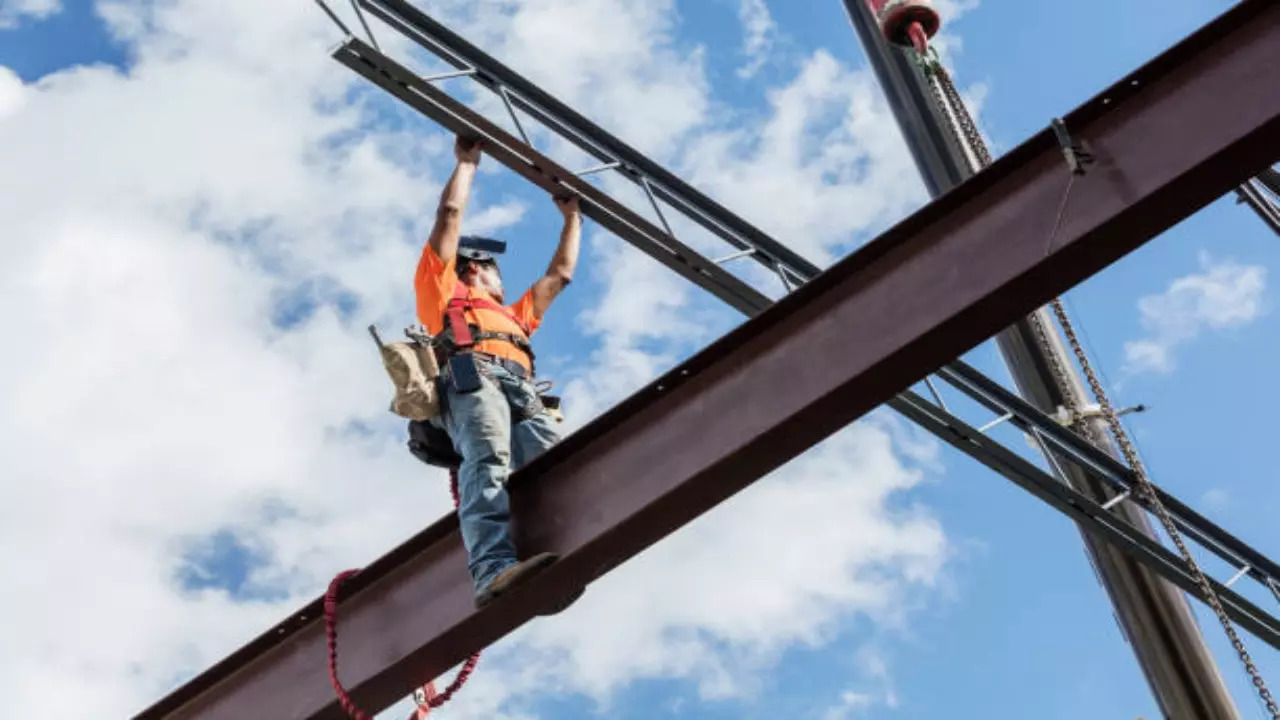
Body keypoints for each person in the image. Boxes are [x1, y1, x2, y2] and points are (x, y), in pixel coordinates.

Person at [414, 135, 582, 611]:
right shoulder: (442, 292)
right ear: (477, 268)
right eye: (494, 269)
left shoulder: (514, 316)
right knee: (487, 458)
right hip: (474, 377)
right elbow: (449, 218)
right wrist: (466, 165)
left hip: (520, 388)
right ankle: (492, 569)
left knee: (558, 465)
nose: (501, 278)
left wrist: (573, 216)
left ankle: (571, 542)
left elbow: (561, 275)